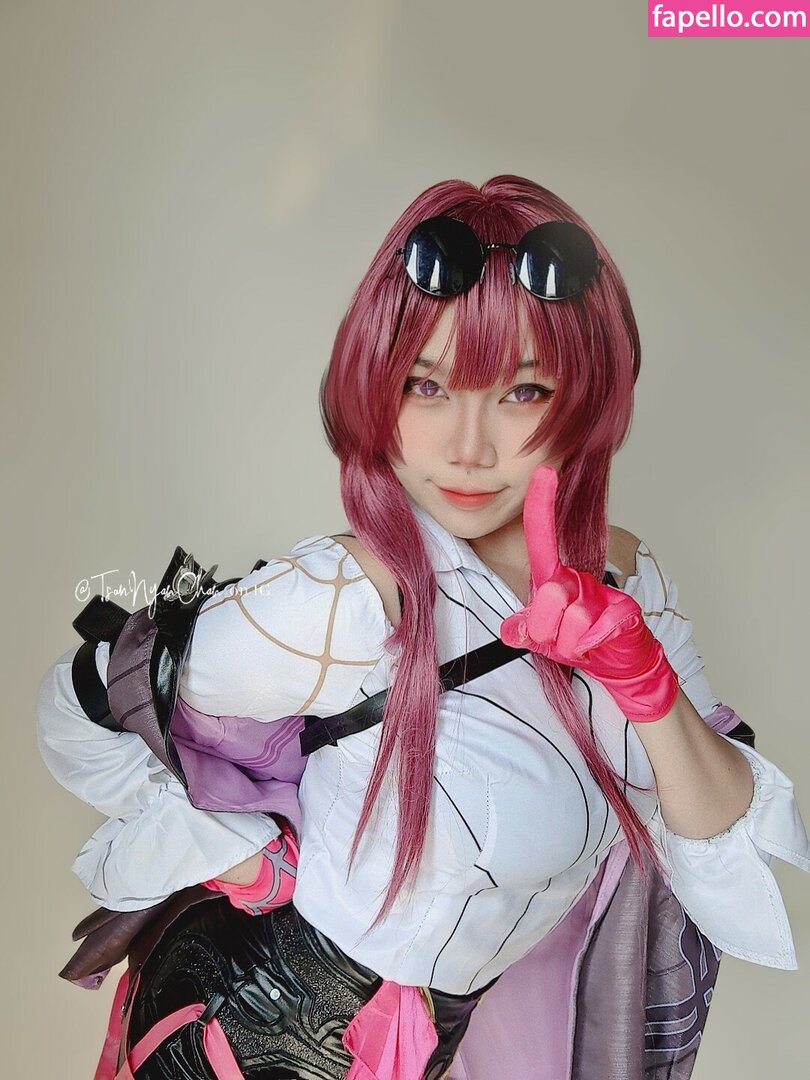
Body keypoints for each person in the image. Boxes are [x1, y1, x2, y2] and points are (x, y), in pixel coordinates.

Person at [37, 174, 810, 1080]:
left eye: (523, 391)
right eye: (427, 385)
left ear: (584, 399)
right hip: (259, 1035)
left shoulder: (625, 576)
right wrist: (247, 858)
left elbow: (717, 837)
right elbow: (84, 702)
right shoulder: (350, 596)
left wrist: (645, 685)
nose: (467, 448)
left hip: (441, 1045)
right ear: (378, 389)